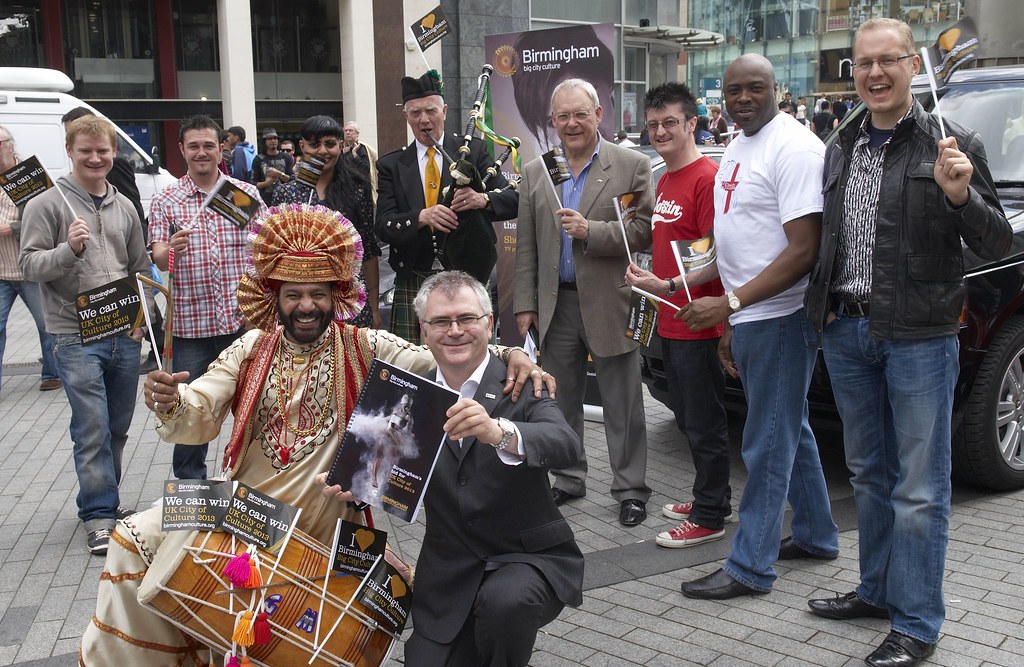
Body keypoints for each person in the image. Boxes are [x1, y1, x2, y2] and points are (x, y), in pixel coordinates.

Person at [79, 206, 553, 665]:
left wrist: (510, 353)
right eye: (293, 294)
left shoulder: (365, 346)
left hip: (320, 521)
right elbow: (198, 408)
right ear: (274, 297)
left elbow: (446, 355)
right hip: (244, 511)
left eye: (318, 294)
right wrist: (171, 401)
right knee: (130, 538)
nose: (306, 306)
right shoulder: (251, 348)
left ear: (336, 295)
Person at [804, 19, 1012, 667]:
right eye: (863, 63)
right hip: (848, 329)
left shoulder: (951, 142)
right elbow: (830, 237)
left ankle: (917, 623)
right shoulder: (840, 142)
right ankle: (877, 589)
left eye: (888, 60)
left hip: (920, 334)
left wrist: (960, 197)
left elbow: (996, 241)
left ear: (911, 66)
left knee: (920, 488)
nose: (875, 73)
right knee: (869, 473)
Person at [324, 270, 583, 666]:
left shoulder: (519, 382)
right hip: (450, 573)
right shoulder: (407, 396)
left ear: (489, 324)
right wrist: (355, 487)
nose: (455, 330)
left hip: (527, 558)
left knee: (505, 605)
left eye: (466, 318)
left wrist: (500, 432)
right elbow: (387, 474)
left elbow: (566, 444)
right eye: (441, 321)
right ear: (423, 332)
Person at [675, 54, 839, 599]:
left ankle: (750, 567)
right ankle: (816, 535)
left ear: (777, 89)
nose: (742, 99)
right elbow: (738, 238)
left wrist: (731, 304)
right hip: (752, 315)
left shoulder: (794, 148)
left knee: (767, 441)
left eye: (755, 88)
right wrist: (716, 304)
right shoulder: (741, 142)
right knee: (789, 428)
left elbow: (804, 251)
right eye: (733, 90)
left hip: (782, 318)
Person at [513, 77, 654, 526]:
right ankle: (569, 478)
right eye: (563, 116)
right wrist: (525, 304)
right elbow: (527, 244)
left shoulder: (631, 165)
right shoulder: (537, 170)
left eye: (580, 114)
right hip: (556, 307)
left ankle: (630, 490)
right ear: (551, 121)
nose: (571, 123)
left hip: (612, 303)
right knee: (561, 401)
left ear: (598, 115)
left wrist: (591, 231)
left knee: (623, 403)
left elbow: (642, 232)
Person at [19, 116, 150, 554]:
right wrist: (68, 249)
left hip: (123, 332)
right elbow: (29, 265)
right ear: (69, 151)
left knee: (117, 426)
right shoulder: (47, 203)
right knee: (91, 427)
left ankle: (104, 500)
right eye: (85, 150)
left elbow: (139, 267)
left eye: (102, 151)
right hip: (74, 335)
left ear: (114, 153)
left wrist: (142, 318)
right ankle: (98, 514)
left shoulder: (124, 205)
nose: (95, 158)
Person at [623, 82, 732, 548]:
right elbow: (671, 247)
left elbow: (718, 256)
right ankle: (712, 496)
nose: (661, 131)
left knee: (704, 423)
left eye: (670, 122)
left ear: (692, 124)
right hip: (667, 318)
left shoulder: (707, 178)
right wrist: (648, 277)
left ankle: (710, 516)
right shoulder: (665, 179)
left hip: (697, 322)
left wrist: (666, 285)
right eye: (653, 125)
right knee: (687, 418)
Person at [148, 114, 267, 480]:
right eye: (194, 146)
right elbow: (158, 257)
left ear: (221, 149)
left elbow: (265, 250)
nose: (202, 153)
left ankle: (254, 483)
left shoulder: (242, 195)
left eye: (209, 146)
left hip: (241, 324)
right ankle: (191, 489)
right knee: (189, 414)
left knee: (255, 410)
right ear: (182, 149)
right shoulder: (166, 199)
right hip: (190, 329)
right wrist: (171, 250)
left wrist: (260, 309)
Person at [375, 70, 518, 343]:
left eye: (431, 110)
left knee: (471, 355)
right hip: (414, 276)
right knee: (415, 362)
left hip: (468, 273)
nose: (424, 119)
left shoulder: (473, 151)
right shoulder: (391, 165)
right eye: (415, 113)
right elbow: (383, 225)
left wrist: (483, 199)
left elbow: (514, 200)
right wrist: (421, 216)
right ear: (406, 116)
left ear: (444, 111)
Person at [273, 115, 382, 328]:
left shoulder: (357, 191)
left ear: (341, 146)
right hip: (302, 302)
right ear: (302, 146)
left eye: (330, 144)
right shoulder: (286, 193)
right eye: (315, 144)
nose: (323, 151)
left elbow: (368, 250)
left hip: (349, 298)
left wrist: (375, 307)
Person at [0, 126, 60, 392]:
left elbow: (50, 216)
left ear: (9, 145)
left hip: (29, 268)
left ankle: (52, 373)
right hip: (1, 270)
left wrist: (12, 228)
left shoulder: (27, 175)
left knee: (46, 323)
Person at [249, 126, 294, 205]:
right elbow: (253, 184)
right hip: (265, 201)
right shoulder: (258, 159)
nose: (273, 141)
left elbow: (292, 180)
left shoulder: (286, 157)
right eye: (270, 139)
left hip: (285, 199)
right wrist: (267, 183)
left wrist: (279, 174)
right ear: (264, 141)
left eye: (275, 138)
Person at [342, 120, 379, 202]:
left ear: (357, 134)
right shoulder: (344, 149)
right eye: (345, 130)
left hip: (360, 188)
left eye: (350, 130)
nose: (347, 133)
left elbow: (366, 168)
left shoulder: (361, 148)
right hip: (347, 188)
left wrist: (355, 154)